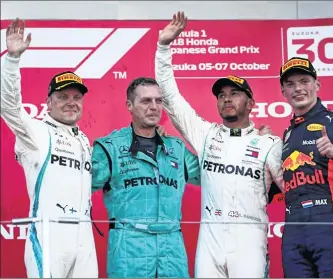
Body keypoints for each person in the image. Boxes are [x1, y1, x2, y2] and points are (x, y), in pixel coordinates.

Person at [155, 12, 285, 278]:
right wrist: (163, 47)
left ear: (250, 104)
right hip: (210, 241)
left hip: (250, 241)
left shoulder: (270, 143)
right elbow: (170, 97)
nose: (227, 99)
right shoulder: (206, 134)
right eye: (222, 95)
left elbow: (293, 190)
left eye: (235, 94)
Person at [0, 18, 98, 278]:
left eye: (77, 97)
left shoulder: (83, 139)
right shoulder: (35, 131)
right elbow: (9, 106)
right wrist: (11, 60)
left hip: (84, 239)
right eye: (62, 97)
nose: (71, 103)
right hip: (49, 236)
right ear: (48, 102)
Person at [91, 77, 201, 278]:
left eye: (159, 101)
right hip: (129, 249)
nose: (154, 107)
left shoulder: (176, 148)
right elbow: (76, 186)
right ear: (129, 106)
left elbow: (215, 175)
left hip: (172, 251)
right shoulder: (110, 147)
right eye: (146, 101)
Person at [280, 57, 333, 278]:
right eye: (291, 84)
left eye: (304, 81)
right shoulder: (287, 133)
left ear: (317, 85)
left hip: (329, 222)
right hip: (293, 227)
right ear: (283, 91)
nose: (298, 88)